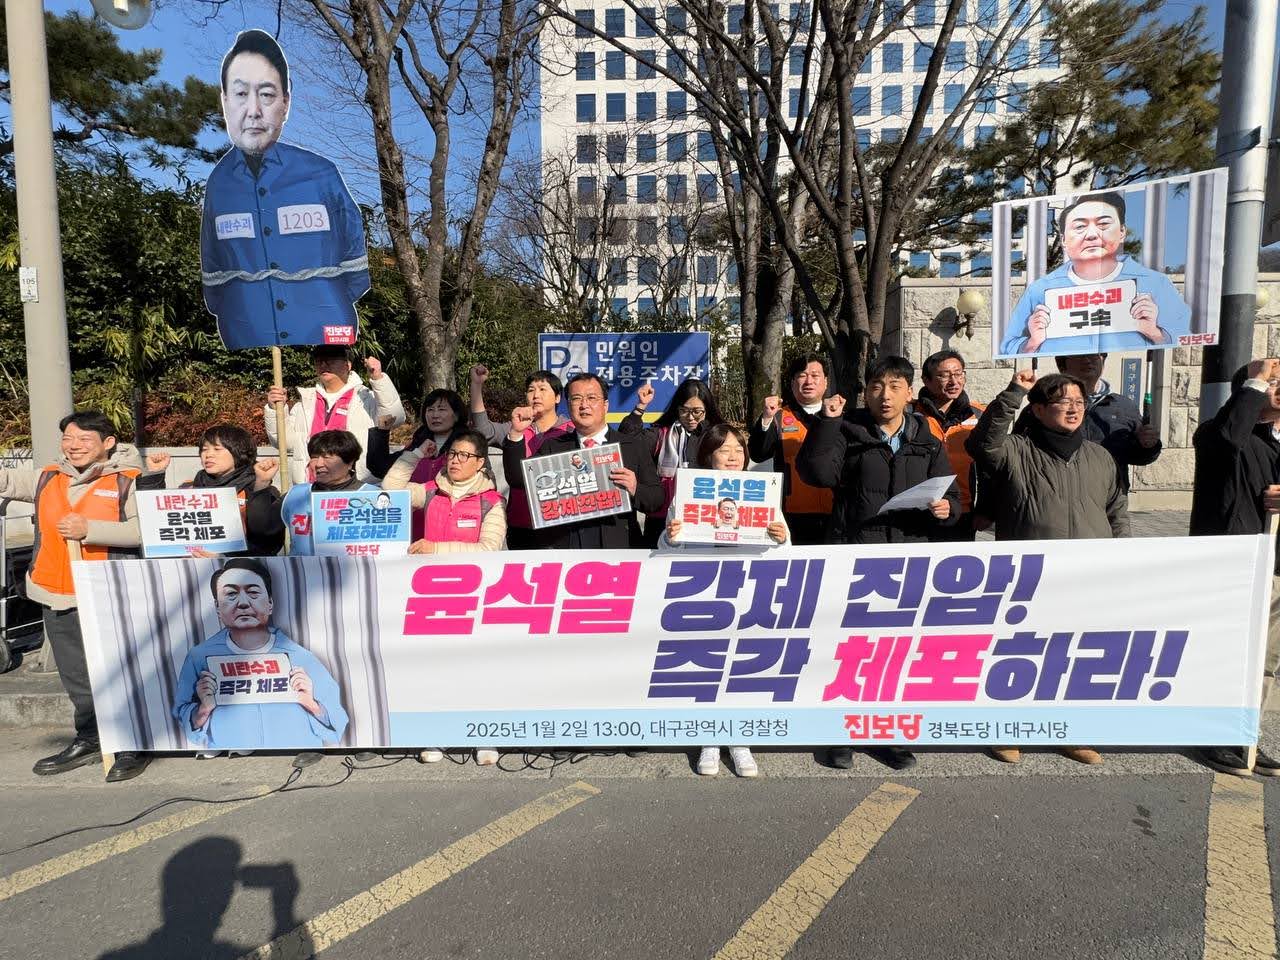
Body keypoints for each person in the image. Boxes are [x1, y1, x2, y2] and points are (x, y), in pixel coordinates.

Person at [797, 356, 959, 773]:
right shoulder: (846, 429)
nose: (884, 395)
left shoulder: (926, 438)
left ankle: (887, 732)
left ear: (909, 393)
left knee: (894, 651)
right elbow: (817, 473)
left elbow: (952, 496)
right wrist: (828, 423)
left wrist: (947, 510)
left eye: (894, 386)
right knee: (846, 649)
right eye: (876, 386)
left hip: (907, 557)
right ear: (865, 392)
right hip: (853, 553)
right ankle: (839, 732)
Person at [966, 368, 1130, 767]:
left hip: (1087, 578)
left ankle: (1071, 731)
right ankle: (1008, 728)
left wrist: (1125, 558)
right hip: (1029, 577)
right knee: (1020, 653)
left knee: (1075, 655)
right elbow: (982, 443)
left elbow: (1117, 511)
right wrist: (1014, 392)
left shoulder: (1100, 457)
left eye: (1078, 402)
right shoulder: (1016, 450)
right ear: (1038, 409)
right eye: (1062, 402)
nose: (1073, 409)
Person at [0, 412, 149, 780]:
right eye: (68, 438)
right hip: (56, 591)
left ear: (108, 443)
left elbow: (145, 530)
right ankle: (91, 737)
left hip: (107, 592)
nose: (74, 445)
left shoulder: (129, 479)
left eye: (84, 439)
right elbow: (5, 481)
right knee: (77, 675)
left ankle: (132, 742)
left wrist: (90, 529)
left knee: (118, 670)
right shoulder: (48, 476)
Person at [201, 29, 371, 350]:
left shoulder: (321, 174)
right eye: (240, 94)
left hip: (323, 339)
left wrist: (316, 301)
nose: (253, 110)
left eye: (266, 94)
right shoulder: (219, 183)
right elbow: (214, 277)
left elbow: (356, 271)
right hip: (246, 340)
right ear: (224, 101)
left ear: (285, 103)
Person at [662, 423, 788, 778]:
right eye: (723, 450)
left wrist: (781, 537)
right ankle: (709, 738)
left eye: (738, 449)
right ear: (708, 456)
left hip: (748, 588)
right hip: (703, 590)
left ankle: (740, 739)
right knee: (708, 664)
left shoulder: (761, 492)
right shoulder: (688, 493)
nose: (733, 456)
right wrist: (672, 537)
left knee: (740, 665)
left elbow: (784, 548)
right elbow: (665, 548)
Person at [384, 429, 507, 766]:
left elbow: (489, 548)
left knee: (477, 669)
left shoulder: (491, 502)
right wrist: (414, 455)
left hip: (476, 598)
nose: (456, 460)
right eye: (453, 454)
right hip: (432, 596)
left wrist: (435, 549)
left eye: (465, 455)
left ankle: (485, 737)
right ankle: (435, 733)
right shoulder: (430, 491)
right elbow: (390, 490)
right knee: (434, 669)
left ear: (480, 463)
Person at [1190, 358, 1280, 777]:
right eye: (1272, 381)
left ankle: (1245, 736)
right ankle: (1214, 736)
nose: (1277, 387)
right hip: (1237, 567)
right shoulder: (1218, 433)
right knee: (1228, 654)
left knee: (1266, 660)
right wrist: (1257, 381)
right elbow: (1229, 438)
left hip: (1275, 567)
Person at [173, 559, 349, 750]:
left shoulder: (300, 657)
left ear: (270, 603)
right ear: (217, 607)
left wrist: (311, 704)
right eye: (231, 594)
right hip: (233, 760)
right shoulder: (199, 658)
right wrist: (203, 710)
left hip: (296, 755)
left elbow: (336, 725)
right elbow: (183, 717)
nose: (243, 603)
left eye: (253, 593)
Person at [999, 192, 1191, 355]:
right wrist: (1032, 342)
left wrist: (1155, 332)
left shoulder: (1155, 284)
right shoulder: (1039, 290)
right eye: (1080, 227)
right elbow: (1007, 348)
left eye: (1103, 224)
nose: (1091, 235)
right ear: (1064, 239)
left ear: (1122, 232)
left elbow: (1187, 342)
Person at [503, 373, 664, 549]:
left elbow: (656, 499)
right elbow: (519, 479)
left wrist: (635, 488)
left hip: (619, 549)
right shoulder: (553, 447)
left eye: (591, 398)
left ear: (605, 405)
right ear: (568, 406)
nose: (584, 405)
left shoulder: (630, 446)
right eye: (576, 399)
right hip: (565, 549)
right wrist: (516, 433)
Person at [1010, 353, 1161, 495]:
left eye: (1095, 355)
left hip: (1108, 500)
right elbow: (1017, 455)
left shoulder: (1123, 406)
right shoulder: (1041, 409)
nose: (1088, 360)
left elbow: (1137, 456)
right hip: (1055, 498)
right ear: (1062, 365)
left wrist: (1148, 446)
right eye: (1079, 355)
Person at [264, 346, 404, 484]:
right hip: (311, 487)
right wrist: (275, 409)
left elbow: (394, 418)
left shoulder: (367, 399)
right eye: (319, 361)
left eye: (330, 360)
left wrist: (378, 379)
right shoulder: (305, 402)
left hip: (356, 488)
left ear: (348, 365)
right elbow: (284, 442)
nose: (323, 365)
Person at [140, 425, 285, 557]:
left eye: (217, 449)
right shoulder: (189, 489)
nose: (208, 455)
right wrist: (154, 475)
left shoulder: (260, 488)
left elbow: (268, 542)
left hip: (241, 570)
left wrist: (226, 558)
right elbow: (153, 521)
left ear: (239, 452)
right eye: (204, 449)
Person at [468, 367, 573, 549]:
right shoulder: (515, 427)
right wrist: (476, 385)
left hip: (562, 522)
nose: (536, 395)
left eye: (542, 389)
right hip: (521, 524)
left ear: (557, 397)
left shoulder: (571, 430)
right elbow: (483, 430)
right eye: (531, 390)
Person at [622, 377, 726, 547]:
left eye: (697, 411)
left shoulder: (718, 437)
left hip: (706, 518)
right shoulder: (662, 434)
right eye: (684, 410)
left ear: (707, 409)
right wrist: (640, 407)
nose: (690, 417)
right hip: (662, 518)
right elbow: (628, 441)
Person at [748, 354, 835, 545]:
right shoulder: (779, 416)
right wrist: (766, 418)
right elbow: (758, 453)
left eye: (815, 375)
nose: (809, 381)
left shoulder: (838, 417)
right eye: (802, 375)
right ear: (792, 382)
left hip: (834, 513)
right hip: (791, 514)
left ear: (826, 382)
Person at [915, 350, 987, 539]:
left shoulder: (979, 415)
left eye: (958, 374)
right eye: (944, 375)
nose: (954, 381)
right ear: (926, 380)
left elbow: (990, 468)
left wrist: (986, 509)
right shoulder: (910, 414)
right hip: (917, 510)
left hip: (962, 511)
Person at [280, 430, 379, 556]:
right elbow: (264, 534)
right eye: (314, 457)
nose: (318, 464)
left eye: (327, 457)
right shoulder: (296, 495)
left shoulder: (375, 497)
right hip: (303, 568)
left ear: (350, 462)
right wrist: (261, 485)